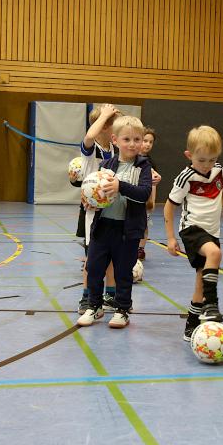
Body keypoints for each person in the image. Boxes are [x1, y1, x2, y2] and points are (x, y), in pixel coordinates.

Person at [163, 126, 223, 341]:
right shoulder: (185, 177)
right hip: (191, 229)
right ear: (189, 155)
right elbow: (169, 207)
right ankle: (211, 305)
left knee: (200, 280)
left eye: (212, 159)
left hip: (211, 232)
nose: (207, 166)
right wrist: (170, 238)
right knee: (215, 254)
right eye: (202, 160)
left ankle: (191, 324)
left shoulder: (217, 170)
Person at [78, 115, 152, 328]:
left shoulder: (143, 167)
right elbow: (96, 192)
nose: (133, 144)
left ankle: (122, 309)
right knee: (94, 267)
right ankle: (94, 306)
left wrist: (121, 186)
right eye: (127, 139)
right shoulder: (106, 164)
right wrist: (91, 202)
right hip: (103, 227)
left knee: (122, 271)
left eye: (137, 139)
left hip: (127, 230)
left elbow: (144, 193)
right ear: (115, 140)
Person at [75, 104, 121, 313]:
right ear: (103, 127)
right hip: (93, 209)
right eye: (114, 125)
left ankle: (110, 294)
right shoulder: (92, 149)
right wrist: (103, 115)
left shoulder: (114, 150)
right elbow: (90, 135)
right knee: (92, 256)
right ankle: (86, 297)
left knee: (111, 254)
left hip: (112, 208)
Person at [137, 126, 161, 261]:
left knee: (144, 225)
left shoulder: (150, 163)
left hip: (145, 199)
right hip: (133, 197)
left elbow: (154, 183)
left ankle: (141, 249)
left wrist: (152, 200)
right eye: (145, 140)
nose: (147, 144)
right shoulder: (131, 158)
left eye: (150, 142)